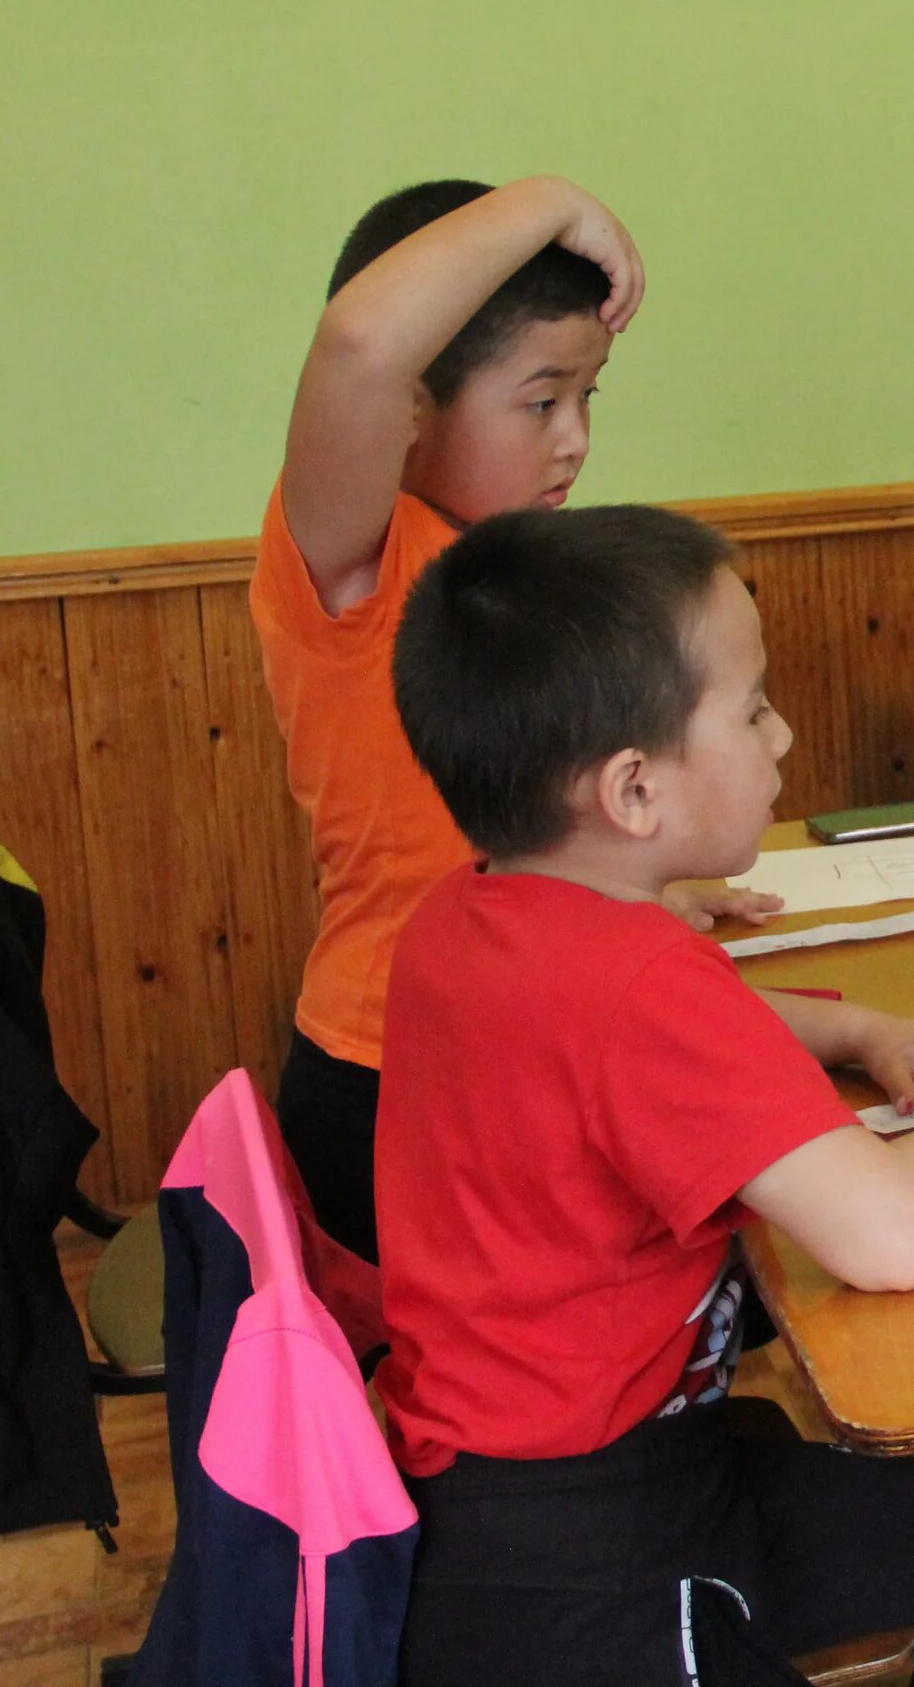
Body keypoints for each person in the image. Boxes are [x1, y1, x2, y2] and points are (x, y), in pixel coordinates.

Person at [377, 502, 914, 1687]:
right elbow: (894, 1235)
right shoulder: (639, 981)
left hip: (513, 1497)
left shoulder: (475, 916)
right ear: (633, 791)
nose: (786, 733)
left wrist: (860, 1027)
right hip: (589, 1566)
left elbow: (655, 1040)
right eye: (754, 708)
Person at [251, 177, 773, 1262]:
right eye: (541, 401)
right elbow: (357, 339)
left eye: (590, 399)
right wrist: (553, 203)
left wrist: (643, 894)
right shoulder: (358, 565)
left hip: (518, 1047)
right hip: (390, 1074)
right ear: (408, 412)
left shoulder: (507, 581)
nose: (574, 440)